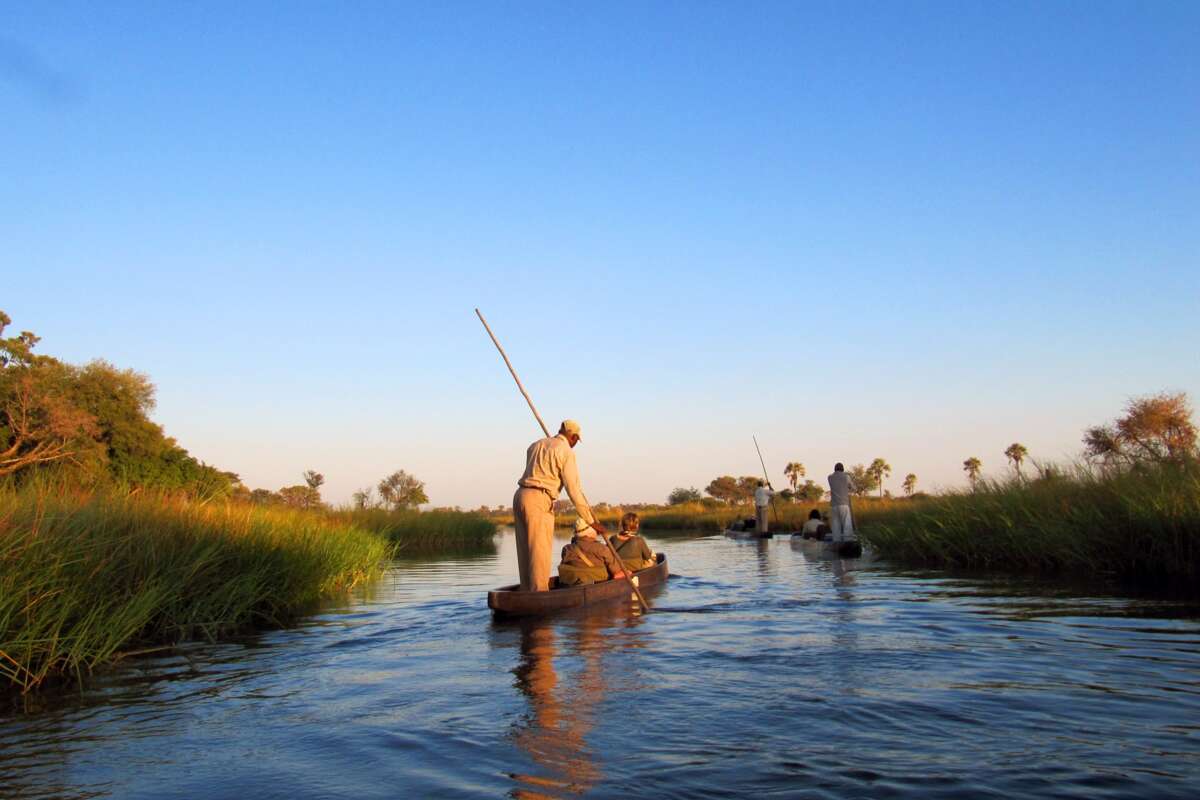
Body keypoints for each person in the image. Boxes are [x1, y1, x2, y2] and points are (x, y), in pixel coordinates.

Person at [513, 420, 607, 592]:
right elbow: (574, 490)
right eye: (576, 441)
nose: (575, 444)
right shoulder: (566, 451)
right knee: (539, 553)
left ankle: (526, 591)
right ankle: (538, 596)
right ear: (573, 437)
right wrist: (591, 521)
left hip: (520, 496)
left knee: (525, 552)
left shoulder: (536, 445)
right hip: (539, 498)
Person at [558, 517, 627, 586]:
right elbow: (618, 573)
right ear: (590, 531)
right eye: (595, 528)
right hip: (599, 586)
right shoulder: (602, 549)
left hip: (571, 585)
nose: (597, 531)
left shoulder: (567, 549)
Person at [827, 463, 857, 545]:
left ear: (835, 469)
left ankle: (837, 543)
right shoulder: (846, 477)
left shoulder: (829, 477)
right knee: (847, 524)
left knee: (836, 526)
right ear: (842, 469)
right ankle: (848, 542)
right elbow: (853, 488)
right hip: (844, 504)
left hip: (834, 505)